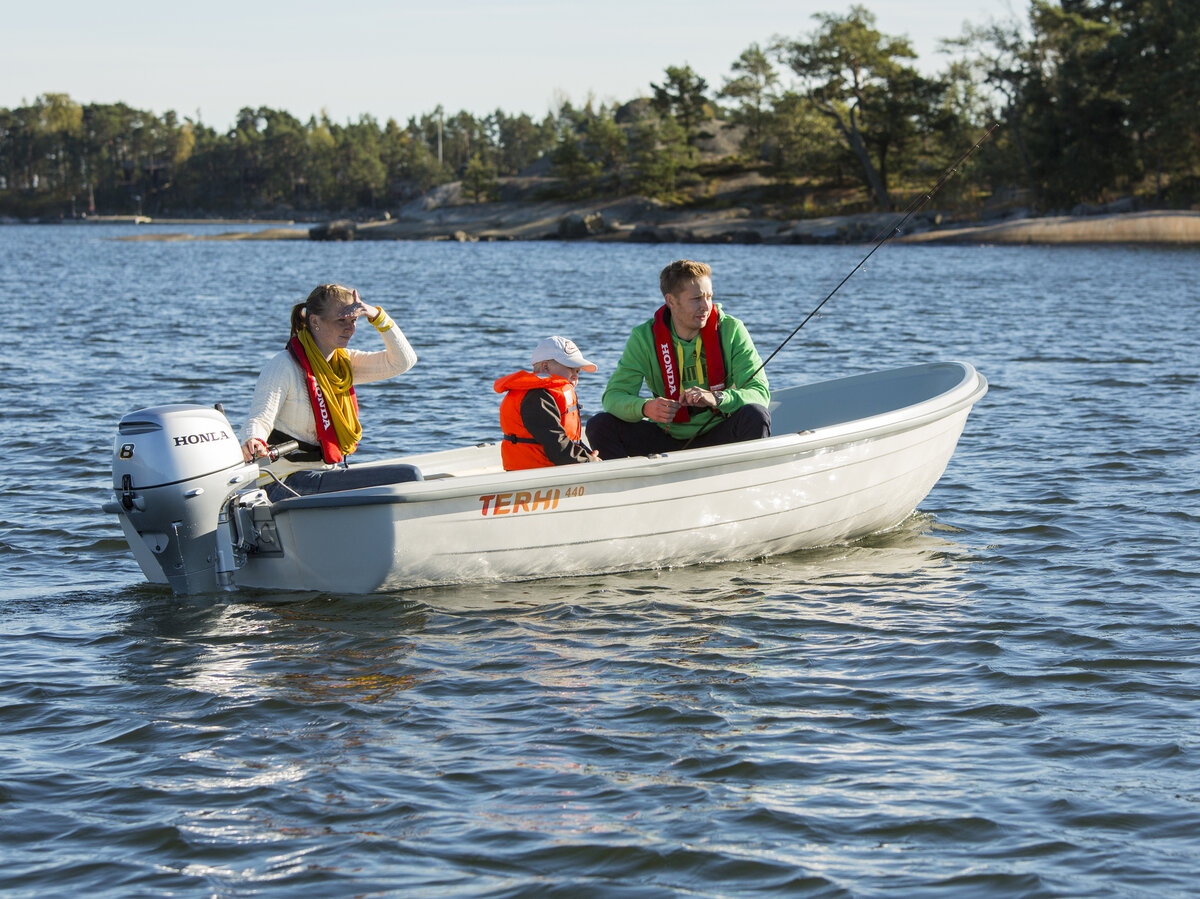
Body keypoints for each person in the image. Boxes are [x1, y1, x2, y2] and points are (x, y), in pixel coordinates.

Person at [241, 283, 418, 493]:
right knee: (408, 476)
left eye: (354, 320)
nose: (350, 328)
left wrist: (376, 315)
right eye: (341, 320)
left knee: (410, 476)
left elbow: (403, 361)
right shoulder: (283, 365)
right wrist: (254, 440)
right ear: (315, 321)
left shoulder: (344, 364)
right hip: (282, 481)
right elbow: (259, 419)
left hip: (325, 474)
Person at [585, 259, 770, 459]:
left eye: (709, 297)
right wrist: (645, 408)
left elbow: (760, 393)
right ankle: (629, 479)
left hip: (719, 433)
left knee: (756, 414)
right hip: (665, 437)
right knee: (599, 425)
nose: (706, 306)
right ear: (671, 301)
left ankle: (743, 475)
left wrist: (717, 398)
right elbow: (612, 397)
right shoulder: (644, 337)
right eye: (696, 299)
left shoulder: (731, 329)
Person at [493, 336, 601, 471]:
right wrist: (589, 461)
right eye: (570, 368)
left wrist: (589, 456)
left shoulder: (548, 393)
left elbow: (564, 442)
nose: (575, 376)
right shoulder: (537, 397)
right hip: (536, 473)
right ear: (545, 367)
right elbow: (556, 445)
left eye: (577, 371)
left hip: (552, 468)